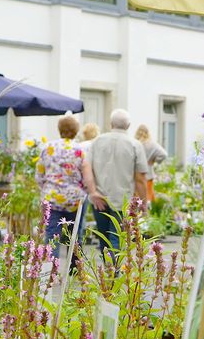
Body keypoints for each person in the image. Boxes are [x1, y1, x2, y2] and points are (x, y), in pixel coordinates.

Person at [83, 109, 147, 257]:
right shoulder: (135, 144)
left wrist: (93, 192)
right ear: (129, 125)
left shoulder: (97, 141)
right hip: (123, 200)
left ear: (110, 123)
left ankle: (109, 272)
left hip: (100, 198)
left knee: (103, 238)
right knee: (116, 238)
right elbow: (140, 178)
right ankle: (113, 275)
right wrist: (143, 203)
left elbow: (87, 167)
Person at [36, 115, 86, 257]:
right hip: (75, 199)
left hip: (52, 197)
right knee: (75, 235)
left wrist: (45, 188)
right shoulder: (80, 150)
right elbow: (86, 175)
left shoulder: (48, 148)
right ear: (76, 131)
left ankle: (51, 272)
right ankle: (76, 270)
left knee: (51, 235)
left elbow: (39, 174)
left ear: (59, 129)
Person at [134, 124, 168, 202]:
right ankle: (148, 212)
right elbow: (164, 154)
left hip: (136, 174)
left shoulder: (135, 144)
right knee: (148, 197)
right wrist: (154, 160)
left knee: (136, 198)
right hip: (148, 174)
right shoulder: (152, 144)